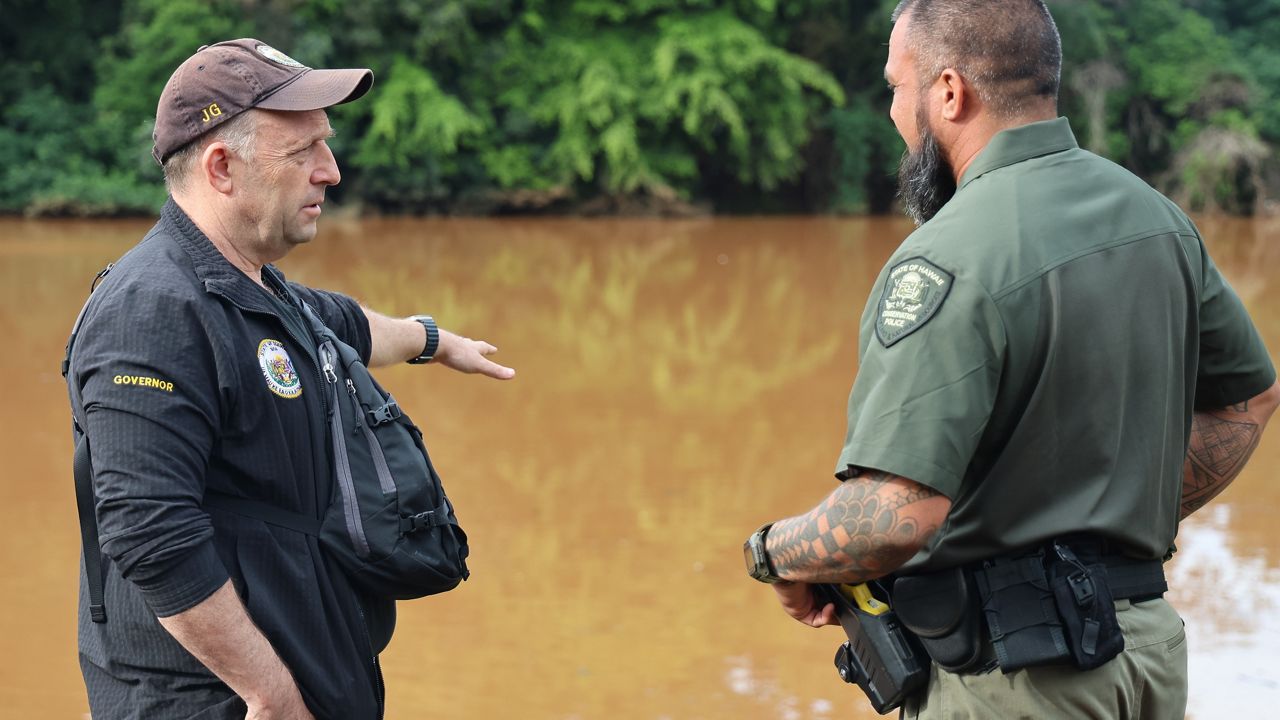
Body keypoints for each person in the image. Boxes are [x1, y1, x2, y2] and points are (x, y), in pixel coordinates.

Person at [742, 1, 1279, 717]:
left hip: (1019, 681)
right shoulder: (1157, 219)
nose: (895, 116)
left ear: (949, 92)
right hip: (1148, 656)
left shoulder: (944, 258)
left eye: (898, 88)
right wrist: (1115, 507)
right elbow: (1250, 398)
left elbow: (897, 516)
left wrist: (774, 553)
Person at [65, 39, 514, 719]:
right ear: (222, 168)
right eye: (302, 152)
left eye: (325, 147)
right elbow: (149, 533)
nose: (330, 172)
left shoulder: (262, 291)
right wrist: (270, 694)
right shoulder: (151, 310)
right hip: (216, 702)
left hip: (310, 680)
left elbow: (351, 326)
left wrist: (436, 341)